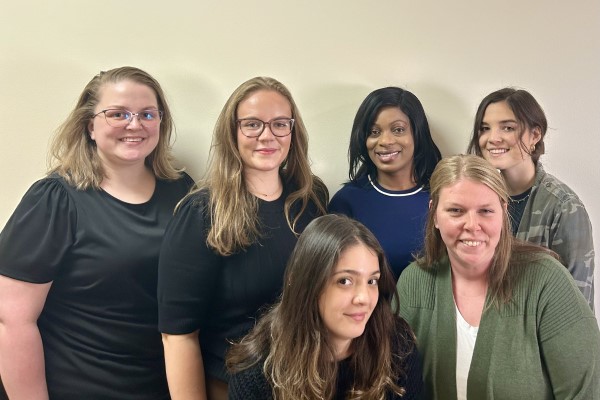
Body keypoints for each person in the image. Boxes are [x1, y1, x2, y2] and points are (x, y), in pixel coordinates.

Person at [0, 66, 194, 399]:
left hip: (161, 387)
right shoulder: (55, 200)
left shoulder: (182, 192)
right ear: (90, 125)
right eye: (118, 114)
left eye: (148, 114)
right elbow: (11, 321)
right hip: (78, 388)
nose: (135, 124)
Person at [158, 76, 328, 399]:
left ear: (293, 131)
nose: (267, 135)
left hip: (306, 384)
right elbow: (178, 336)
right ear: (232, 132)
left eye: (280, 124)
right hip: (231, 387)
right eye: (252, 124)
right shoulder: (202, 213)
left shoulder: (311, 200)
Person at [397, 154, 600, 399]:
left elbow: (586, 391)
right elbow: (393, 382)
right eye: (456, 210)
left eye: (485, 211)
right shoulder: (413, 283)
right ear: (435, 214)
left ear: (503, 212)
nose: (472, 225)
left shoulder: (547, 282)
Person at [227, 214, 422, 400]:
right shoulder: (255, 373)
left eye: (372, 281)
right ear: (305, 283)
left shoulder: (398, 346)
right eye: (344, 281)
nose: (363, 298)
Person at [466, 87, 595, 308]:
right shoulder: (476, 199)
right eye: (485, 128)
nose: (492, 138)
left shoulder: (563, 206)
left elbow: (578, 305)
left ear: (535, 135)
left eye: (507, 127)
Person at [329, 87, 442, 279]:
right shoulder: (347, 202)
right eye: (374, 132)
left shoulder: (443, 195)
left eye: (398, 130)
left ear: (417, 133)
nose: (385, 140)